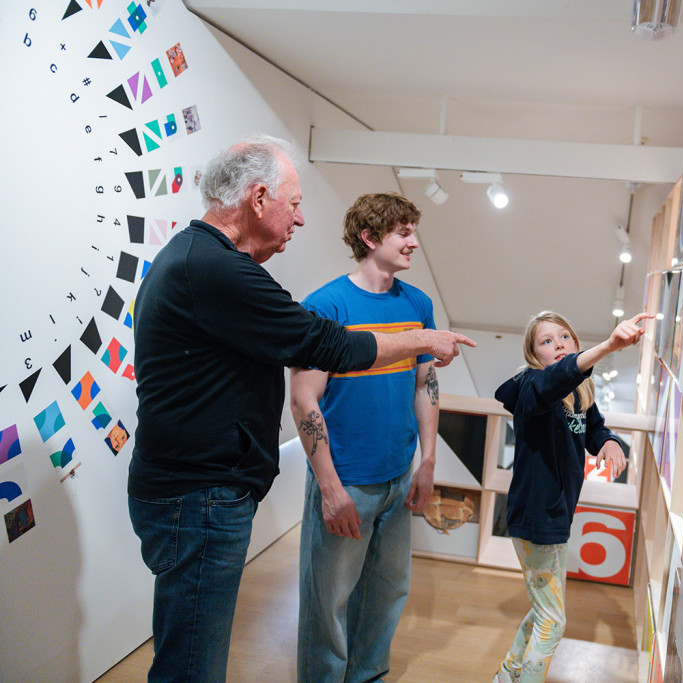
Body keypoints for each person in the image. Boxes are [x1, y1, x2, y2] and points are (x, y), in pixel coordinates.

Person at [127, 137, 473, 683]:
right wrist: (422, 339)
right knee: (192, 665)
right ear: (258, 198)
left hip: (201, 493)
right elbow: (323, 345)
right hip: (198, 497)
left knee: (191, 656)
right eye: (293, 203)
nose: (301, 218)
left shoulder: (201, 260)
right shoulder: (214, 269)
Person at [289, 192, 447, 682]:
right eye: (404, 233)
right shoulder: (326, 305)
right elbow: (303, 401)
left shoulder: (418, 304)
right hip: (347, 481)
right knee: (328, 603)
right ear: (369, 237)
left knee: (386, 595)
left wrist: (427, 461)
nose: (414, 243)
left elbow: (425, 384)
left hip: (399, 477)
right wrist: (330, 488)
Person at [493, 310, 650, 682]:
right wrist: (608, 346)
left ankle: (507, 675)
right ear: (534, 355)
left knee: (544, 610)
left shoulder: (580, 391)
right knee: (553, 622)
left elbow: (594, 427)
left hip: (556, 517)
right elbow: (556, 379)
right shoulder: (532, 387)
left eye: (564, 337)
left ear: (575, 342)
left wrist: (609, 442)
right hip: (535, 518)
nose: (558, 344)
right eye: (546, 341)